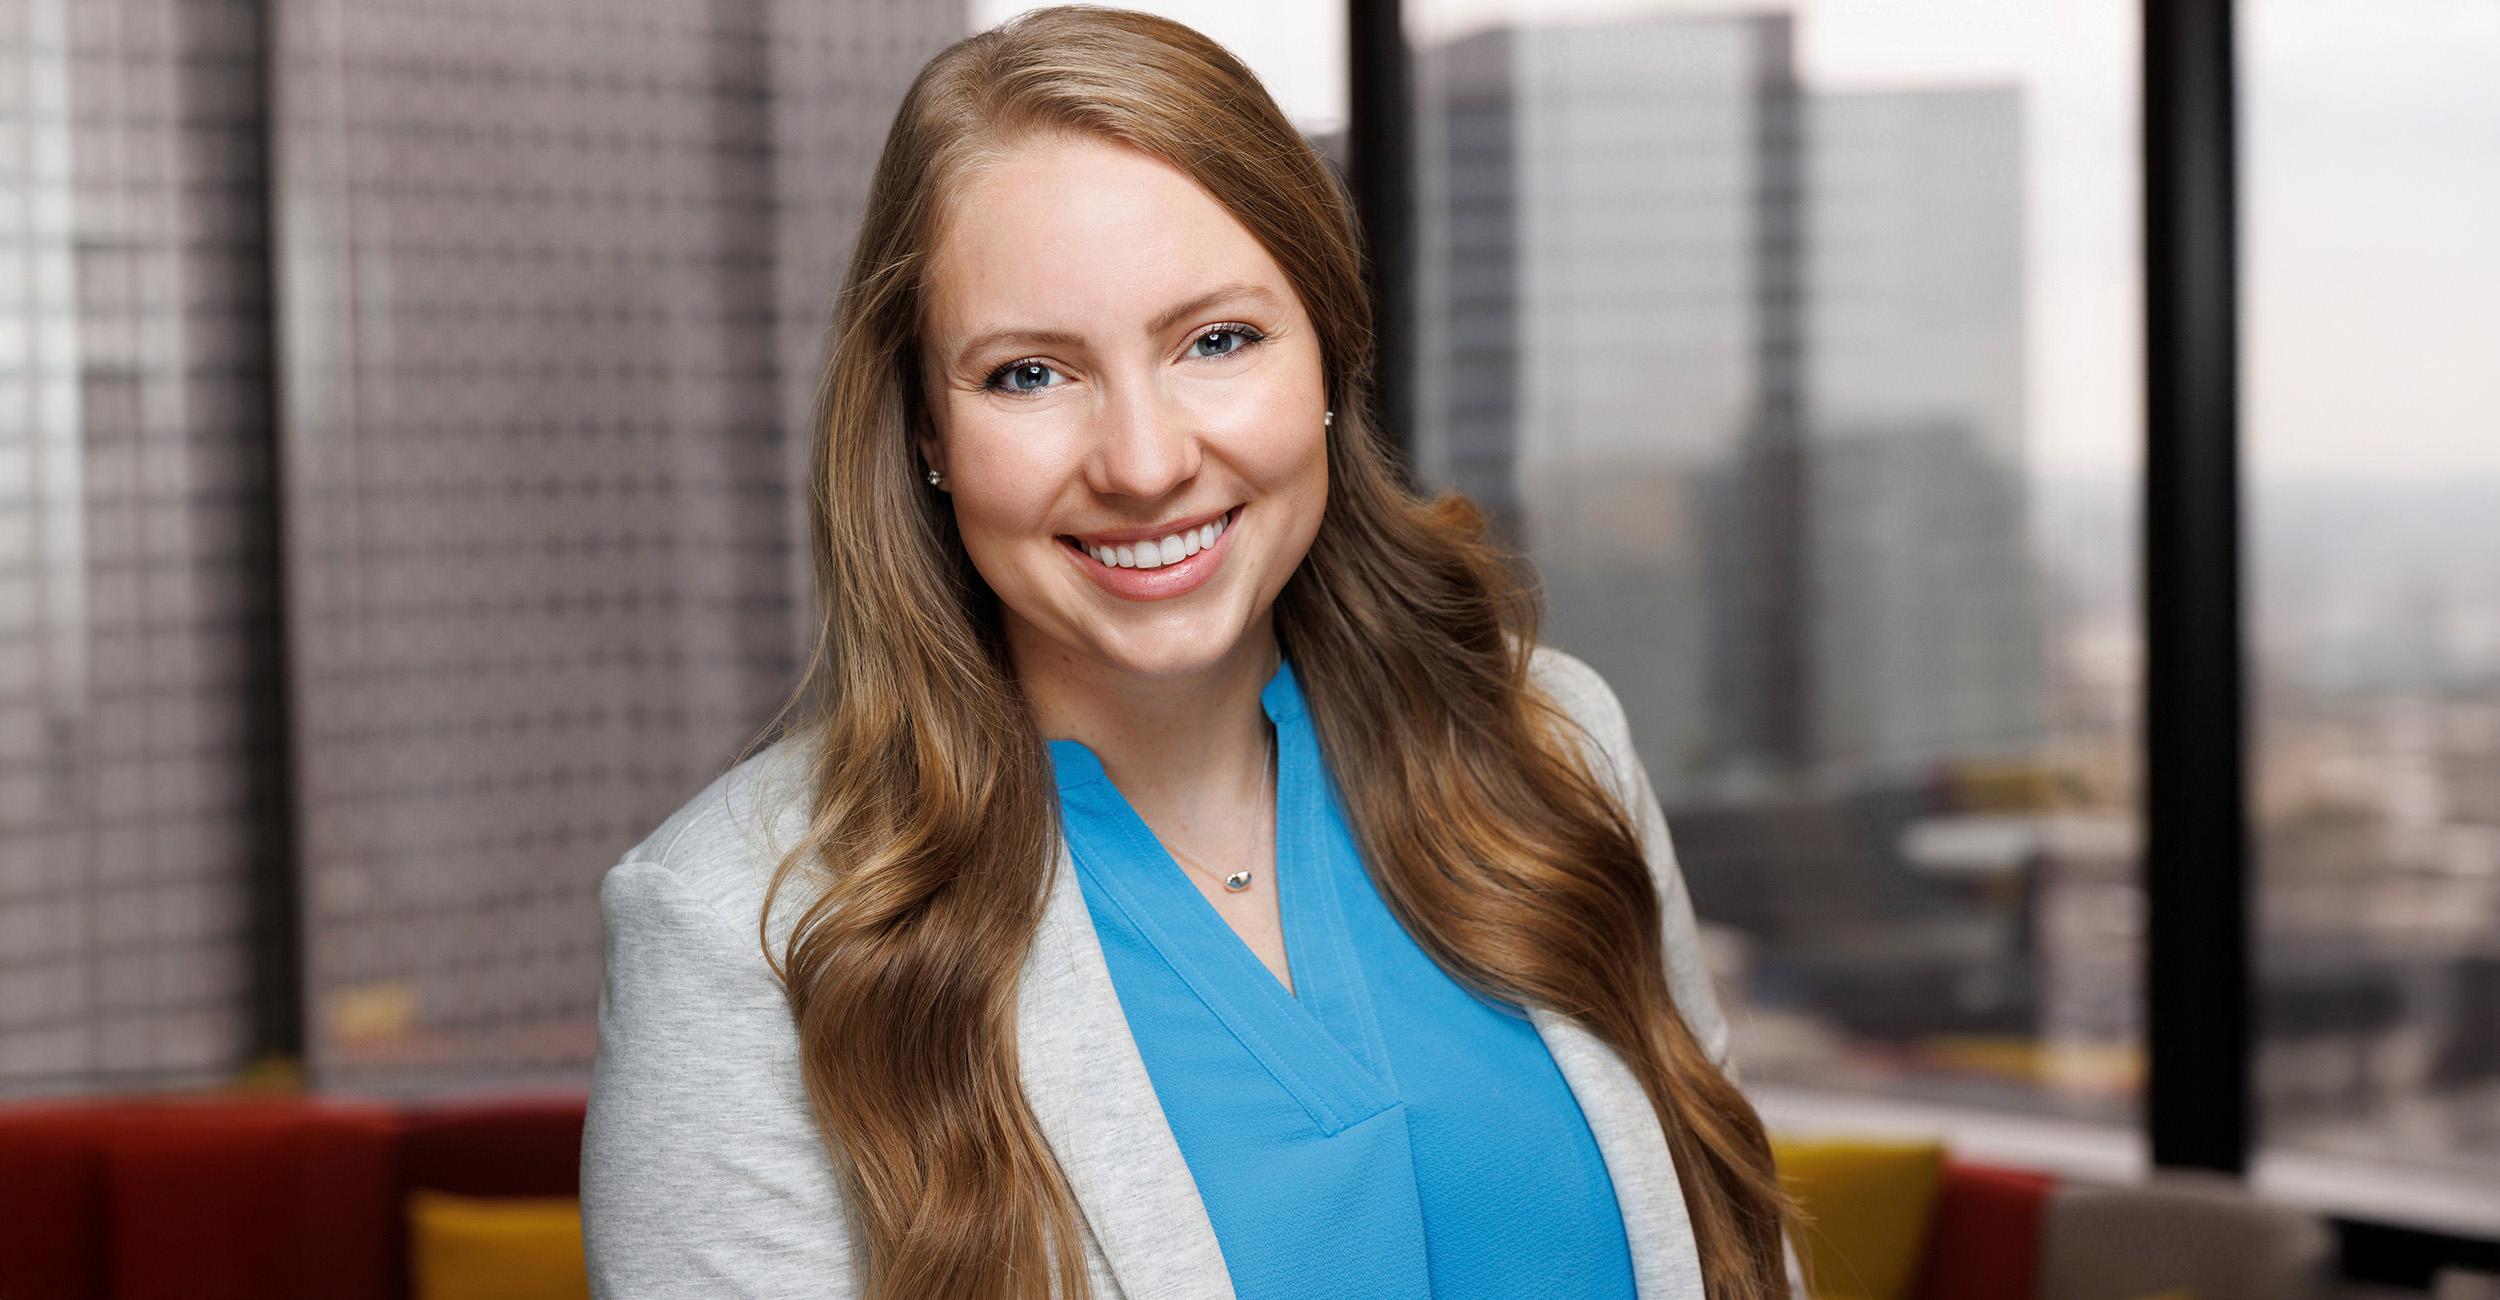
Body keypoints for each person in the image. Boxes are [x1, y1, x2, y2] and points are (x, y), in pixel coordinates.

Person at [582, 8, 1792, 1299]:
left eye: (1216, 342)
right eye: (1029, 375)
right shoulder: (738, 936)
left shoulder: (1547, 742)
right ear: (926, 432)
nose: (1146, 463)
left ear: (1329, 351)